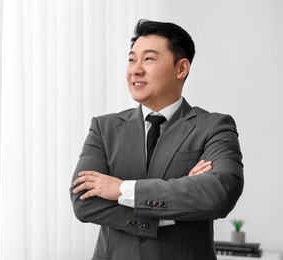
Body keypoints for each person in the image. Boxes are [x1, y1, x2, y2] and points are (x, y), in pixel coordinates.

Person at [70, 19, 243, 260]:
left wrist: (120, 188)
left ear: (181, 69)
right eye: (132, 59)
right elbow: (83, 201)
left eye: (149, 59)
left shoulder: (214, 126)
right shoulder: (104, 127)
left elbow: (220, 193)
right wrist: (178, 204)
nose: (136, 69)